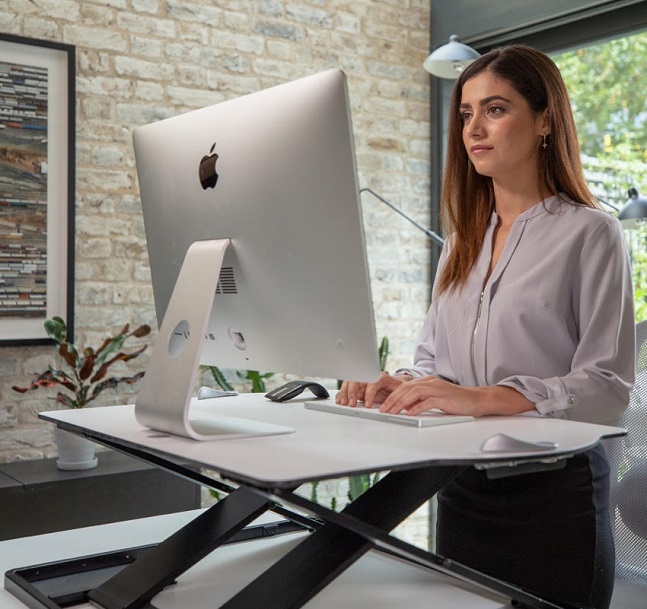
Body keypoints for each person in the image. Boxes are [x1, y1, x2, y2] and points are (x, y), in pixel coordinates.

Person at [336, 45, 635, 609]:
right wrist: (403, 384)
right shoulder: (460, 243)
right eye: (467, 113)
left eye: (495, 109)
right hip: (460, 485)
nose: (475, 127)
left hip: (554, 496)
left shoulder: (592, 234)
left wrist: (481, 399)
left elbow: (607, 388)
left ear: (546, 119)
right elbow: (434, 363)